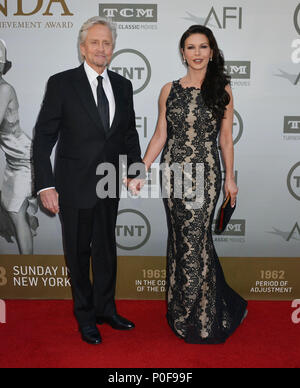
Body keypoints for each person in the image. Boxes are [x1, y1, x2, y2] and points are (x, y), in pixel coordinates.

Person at [33, 17, 145, 345]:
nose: (101, 48)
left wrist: (135, 170)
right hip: (73, 184)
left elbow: (128, 133)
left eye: (106, 43)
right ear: (82, 47)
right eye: (94, 42)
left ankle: (105, 309)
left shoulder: (123, 86)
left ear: (113, 49)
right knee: (79, 253)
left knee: (107, 250)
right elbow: (42, 137)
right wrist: (45, 184)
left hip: (108, 183)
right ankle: (85, 317)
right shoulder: (61, 83)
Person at [142, 25, 248, 344]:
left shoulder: (222, 89)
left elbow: (226, 139)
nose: (197, 53)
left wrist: (230, 179)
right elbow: (161, 134)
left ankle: (197, 314)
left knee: (196, 240)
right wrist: (141, 168)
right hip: (172, 175)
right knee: (180, 239)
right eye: (191, 47)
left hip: (206, 175)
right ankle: (181, 309)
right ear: (183, 52)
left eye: (203, 47)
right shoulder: (168, 90)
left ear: (212, 52)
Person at [0, 39, 38, 255]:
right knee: (11, 208)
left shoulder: (4, 89)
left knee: (15, 211)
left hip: (24, 157)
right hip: (13, 158)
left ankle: (27, 267)